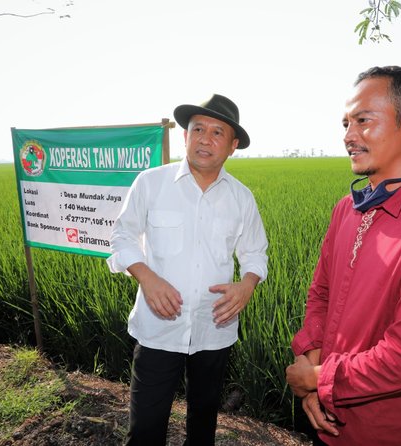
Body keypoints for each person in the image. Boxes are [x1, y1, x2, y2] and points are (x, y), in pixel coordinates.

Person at [285, 66, 401, 445]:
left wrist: (317, 378)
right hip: (324, 421)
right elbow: (320, 293)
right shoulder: (346, 209)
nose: (349, 137)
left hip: (381, 432)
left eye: (363, 121)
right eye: (345, 124)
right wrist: (311, 370)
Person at [107, 94, 268, 445]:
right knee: (146, 427)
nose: (205, 139)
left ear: (232, 145)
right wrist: (146, 278)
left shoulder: (241, 198)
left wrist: (247, 285)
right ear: (185, 136)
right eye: (197, 129)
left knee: (203, 420)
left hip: (214, 327)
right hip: (158, 327)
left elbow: (255, 252)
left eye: (217, 132)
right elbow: (122, 236)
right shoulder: (151, 183)